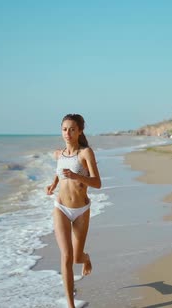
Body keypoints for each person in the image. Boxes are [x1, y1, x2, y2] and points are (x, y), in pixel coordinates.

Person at [45, 113, 101, 308]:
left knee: (76, 258)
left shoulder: (86, 153)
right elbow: (59, 171)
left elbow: (97, 183)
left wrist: (77, 176)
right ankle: (71, 305)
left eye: (72, 129)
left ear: (80, 131)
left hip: (81, 210)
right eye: (64, 129)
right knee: (66, 256)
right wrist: (52, 185)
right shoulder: (59, 154)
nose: (67, 133)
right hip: (61, 207)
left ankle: (86, 259)